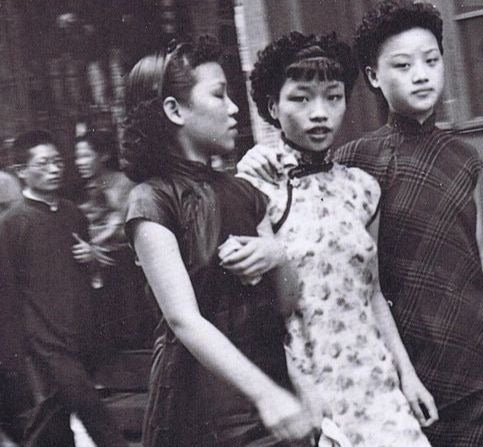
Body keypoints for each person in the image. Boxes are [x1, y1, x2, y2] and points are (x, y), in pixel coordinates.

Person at [237, 2, 483, 446]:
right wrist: (259, 156)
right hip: (387, 361)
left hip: (474, 353)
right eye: (402, 65)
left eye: (431, 61)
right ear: (373, 77)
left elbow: (471, 261)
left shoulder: (456, 160)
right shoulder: (351, 163)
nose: (421, 74)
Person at [229, 31, 437, 447]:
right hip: (309, 382)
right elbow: (264, 307)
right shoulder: (258, 185)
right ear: (273, 106)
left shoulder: (362, 189)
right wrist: (298, 391)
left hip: (376, 382)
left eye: (333, 97)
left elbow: (373, 293)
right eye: (301, 99)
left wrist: (408, 376)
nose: (319, 113)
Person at [121, 37, 315, 446]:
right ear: (174, 110)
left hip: (271, 386)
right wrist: (266, 395)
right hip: (201, 406)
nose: (233, 109)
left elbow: (287, 303)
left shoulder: (246, 193)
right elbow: (182, 319)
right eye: (218, 95)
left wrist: (278, 255)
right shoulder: (151, 200)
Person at [0, 130, 127, 446]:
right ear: (22, 171)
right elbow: (8, 291)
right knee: (94, 413)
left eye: (57, 162)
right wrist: (15, 351)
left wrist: (92, 257)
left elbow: (92, 279)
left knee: (53, 427)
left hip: (78, 333)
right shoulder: (12, 223)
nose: (54, 169)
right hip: (42, 341)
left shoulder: (73, 214)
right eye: (42, 164)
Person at [74, 130, 152, 349]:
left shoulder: (123, 184)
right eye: (77, 157)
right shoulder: (91, 187)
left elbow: (120, 226)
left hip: (126, 265)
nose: (79, 162)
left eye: (85, 155)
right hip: (102, 264)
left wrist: (94, 243)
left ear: (104, 155)